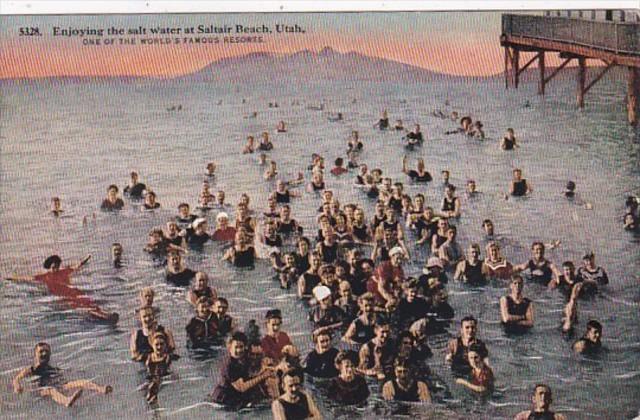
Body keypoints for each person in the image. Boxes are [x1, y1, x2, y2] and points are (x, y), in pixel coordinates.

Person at [5, 254, 118, 322]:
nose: (56, 269)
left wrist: (85, 260)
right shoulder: (44, 276)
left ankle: (107, 314)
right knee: (85, 308)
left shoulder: (64, 271)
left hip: (74, 292)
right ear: (49, 267)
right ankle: (106, 317)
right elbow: (26, 278)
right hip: (64, 297)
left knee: (91, 303)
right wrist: (10, 277)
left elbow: (77, 266)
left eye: (57, 266)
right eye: (54, 267)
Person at [13, 342, 112, 407]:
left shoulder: (52, 368)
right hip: (41, 391)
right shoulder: (31, 369)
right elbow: (17, 379)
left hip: (58, 386)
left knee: (82, 382)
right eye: (41, 351)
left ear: (50, 354)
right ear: (35, 354)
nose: (44, 353)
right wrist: (17, 387)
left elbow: (61, 376)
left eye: (46, 351)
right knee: (50, 390)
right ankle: (66, 401)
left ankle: (100, 389)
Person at [210, 332, 275, 408]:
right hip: (224, 399)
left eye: (241, 347)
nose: (239, 350)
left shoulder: (244, 355)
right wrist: (263, 376)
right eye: (236, 347)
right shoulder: (228, 365)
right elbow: (242, 387)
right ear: (229, 347)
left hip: (238, 394)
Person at [144, 332, 172, 403]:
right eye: (157, 345)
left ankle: (153, 397)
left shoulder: (168, 357)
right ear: (152, 345)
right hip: (151, 378)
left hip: (163, 377)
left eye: (162, 344)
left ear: (165, 345)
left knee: (155, 384)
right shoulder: (149, 358)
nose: (159, 347)